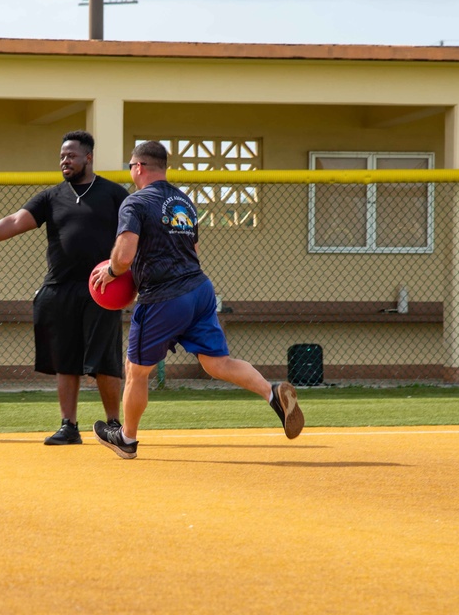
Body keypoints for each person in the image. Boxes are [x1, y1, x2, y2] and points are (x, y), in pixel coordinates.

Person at [90, 141, 304, 459]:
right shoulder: (184, 201)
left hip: (163, 297)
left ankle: (127, 439)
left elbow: (123, 255)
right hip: (199, 289)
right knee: (217, 363)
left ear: (138, 167)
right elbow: (193, 250)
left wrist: (112, 270)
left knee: (136, 371)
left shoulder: (135, 202)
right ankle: (271, 392)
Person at [0, 130, 129, 445]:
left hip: (102, 288)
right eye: (62, 156)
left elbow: (131, 236)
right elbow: (16, 220)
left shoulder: (114, 194)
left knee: (105, 361)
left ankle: (114, 425)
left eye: (71, 155)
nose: (65, 161)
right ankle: (68, 426)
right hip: (59, 289)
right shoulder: (51, 196)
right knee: (65, 361)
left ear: (88, 157)